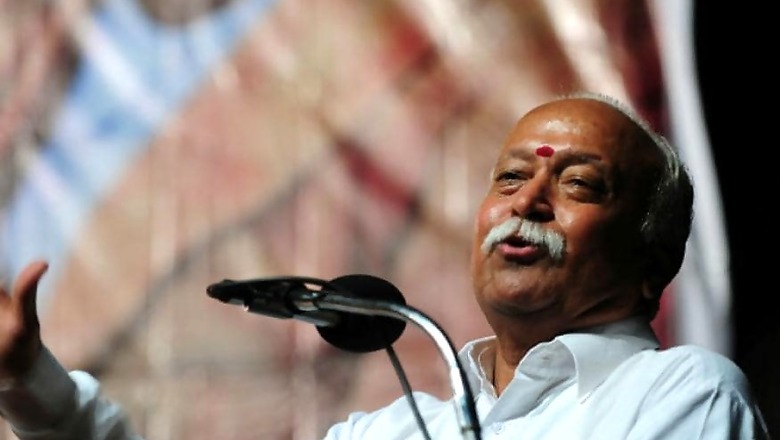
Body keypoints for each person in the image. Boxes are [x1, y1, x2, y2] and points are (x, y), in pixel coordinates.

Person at [0, 92, 771, 439]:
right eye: (509, 177)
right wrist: (37, 393)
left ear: (651, 261)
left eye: (578, 184)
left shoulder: (685, 396)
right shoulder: (392, 430)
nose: (527, 200)